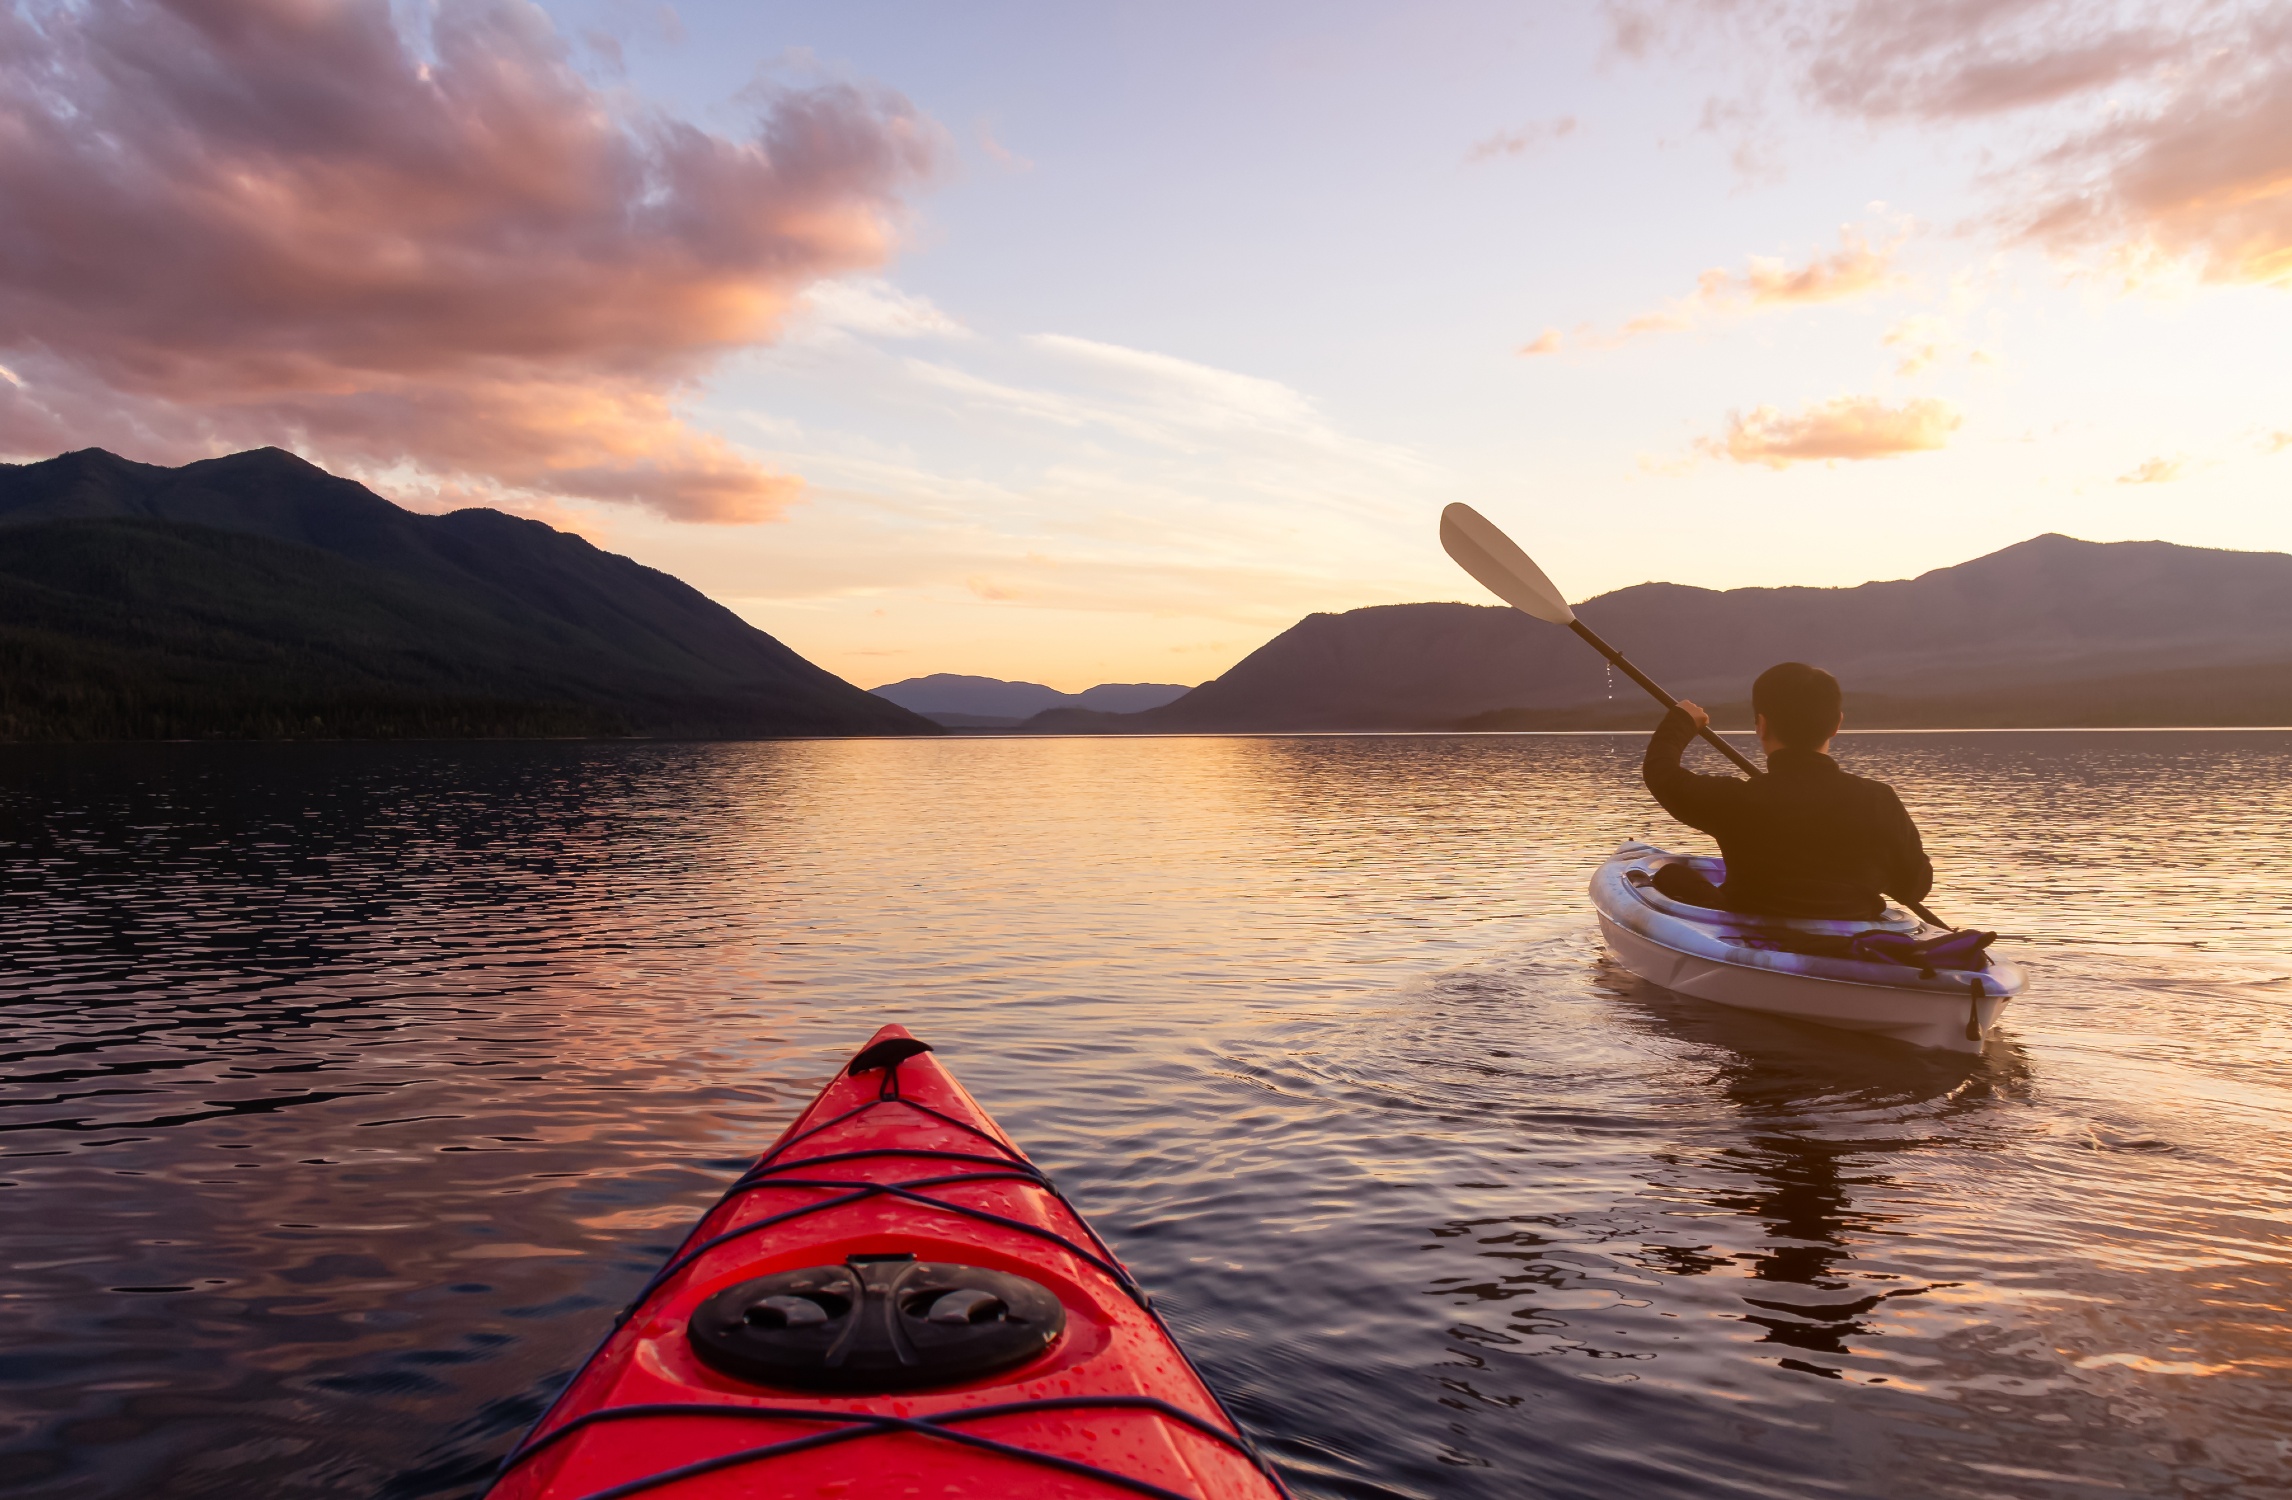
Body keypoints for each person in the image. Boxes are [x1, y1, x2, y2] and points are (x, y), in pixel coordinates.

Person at [1642, 661, 1931, 921]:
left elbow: (1662, 775)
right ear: (1836, 725)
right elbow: (1914, 888)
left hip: (1753, 930)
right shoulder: (1881, 800)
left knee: (1672, 877)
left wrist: (1681, 721)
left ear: (1762, 725)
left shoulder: (1736, 800)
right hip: (1854, 934)